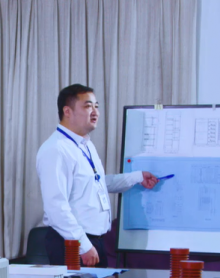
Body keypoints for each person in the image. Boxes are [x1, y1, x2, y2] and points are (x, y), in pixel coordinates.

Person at [37, 84, 159, 267]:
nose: (95, 112)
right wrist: (83, 245)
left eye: (96, 106)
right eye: (87, 106)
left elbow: (97, 183)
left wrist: (137, 177)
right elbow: (56, 207)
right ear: (67, 111)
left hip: (94, 240)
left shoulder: (85, 145)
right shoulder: (56, 149)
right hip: (72, 244)